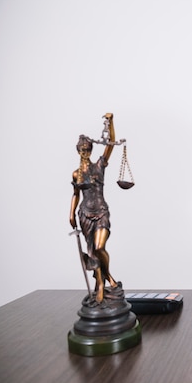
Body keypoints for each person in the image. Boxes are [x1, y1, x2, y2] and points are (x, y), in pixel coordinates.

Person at [69, 114, 119, 304]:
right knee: (92, 253)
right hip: (85, 215)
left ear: (91, 149)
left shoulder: (99, 166)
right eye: (82, 150)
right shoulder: (76, 174)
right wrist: (71, 212)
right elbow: (75, 194)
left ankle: (107, 278)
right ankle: (101, 282)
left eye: (88, 149)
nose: (85, 152)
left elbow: (111, 144)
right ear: (77, 150)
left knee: (99, 247)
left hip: (101, 213)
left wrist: (111, 122)